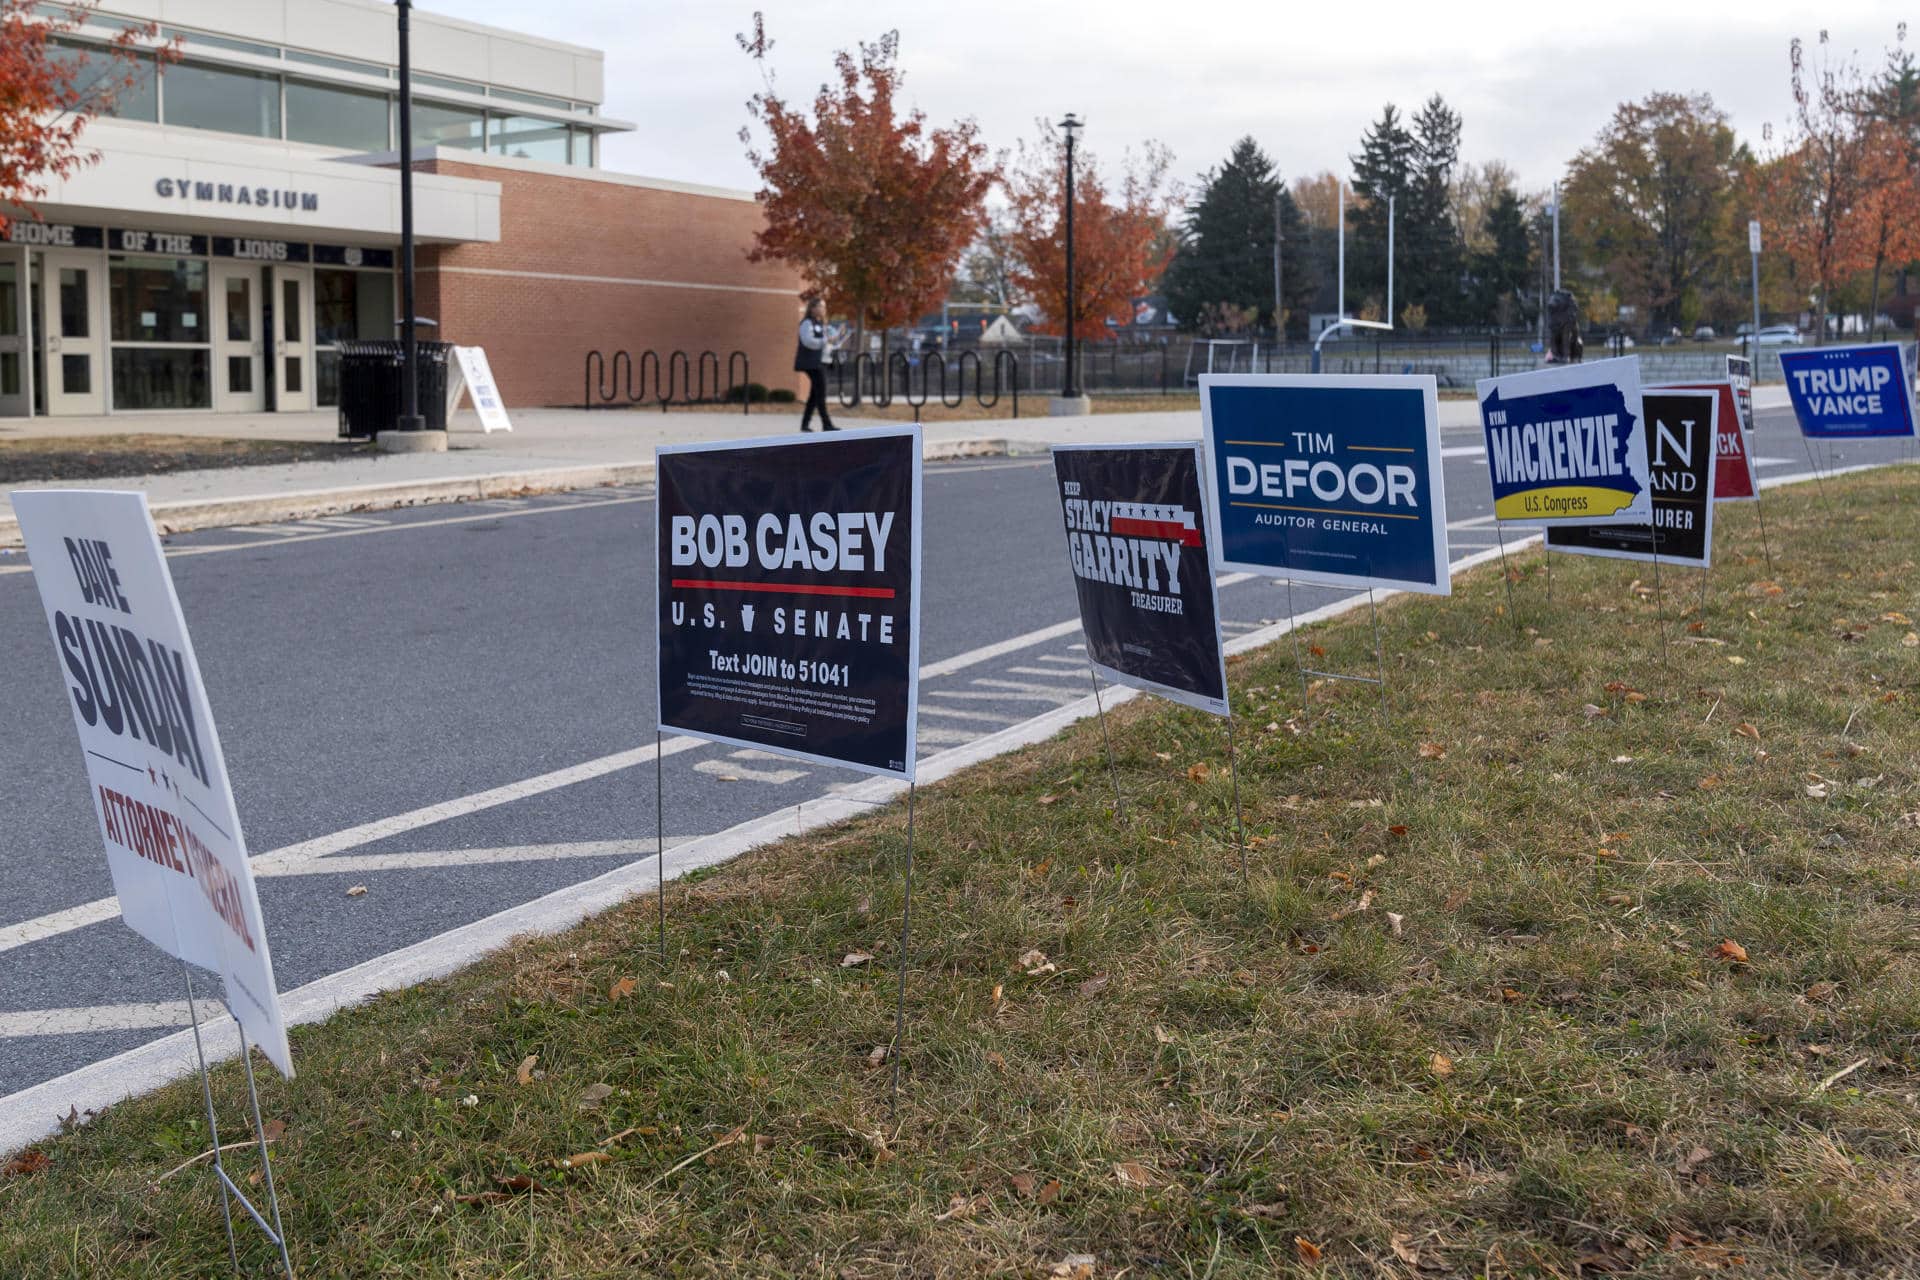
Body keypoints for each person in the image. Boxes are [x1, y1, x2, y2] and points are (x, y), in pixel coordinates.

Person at [793, 298, 838, 432]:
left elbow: (827, 341)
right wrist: (825, 340)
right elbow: (808, 341)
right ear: (812, 308)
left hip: (821, 362)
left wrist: (833, 340)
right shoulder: (807, 323)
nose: (823, 309)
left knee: (814, 394)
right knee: (821, 392)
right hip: (811, 363)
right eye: (820, 306)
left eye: (824, 307)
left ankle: (805, 424)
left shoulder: (821, 324)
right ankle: (826, 423)